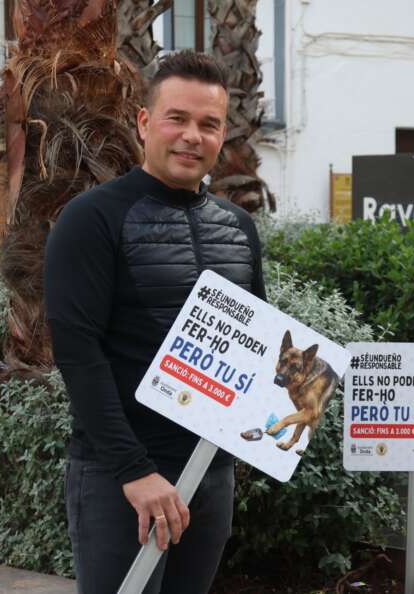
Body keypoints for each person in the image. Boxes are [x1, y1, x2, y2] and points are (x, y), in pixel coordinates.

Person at [44, 50, 265, 594]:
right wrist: (134, 471)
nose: (192, 136)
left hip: (209, 474)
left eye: (208, 124)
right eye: (177, 118)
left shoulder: (239, 228)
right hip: (120, 480)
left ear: (222, 134)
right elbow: (78, 353)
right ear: (144, 123)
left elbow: (254, 347)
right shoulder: (91, 219)